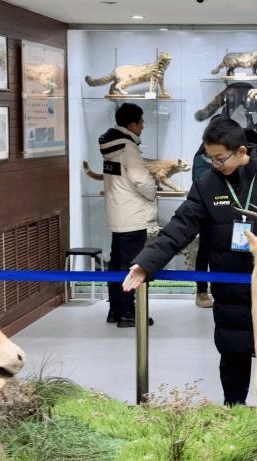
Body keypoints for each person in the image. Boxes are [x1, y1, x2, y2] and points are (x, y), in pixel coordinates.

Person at [123, 116, 257, 405]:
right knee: (234, 359)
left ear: (241, 151)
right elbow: (180, 226)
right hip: (231, 292)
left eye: (220, 158)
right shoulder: (207, 185)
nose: (215, 164)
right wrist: (146, 263)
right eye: (209, 158)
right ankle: (233, 414)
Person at [100, 102, 157, 328]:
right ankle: (127, 312)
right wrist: (153, 189)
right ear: (132, 124)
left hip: (117, 213)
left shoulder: (109, 147)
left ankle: (115, 310)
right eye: (141, 122)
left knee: (116, 264)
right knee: (132, 266)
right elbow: (141, 180)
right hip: (132, 216)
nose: (143, 127)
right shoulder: (128, 148)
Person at [192, 143, 214, 308]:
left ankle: (221, 289)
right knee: (204, 252)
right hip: (207, 214)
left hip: (227, 213)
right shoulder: (201, 159)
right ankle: (201, 291)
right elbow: (203, 184)